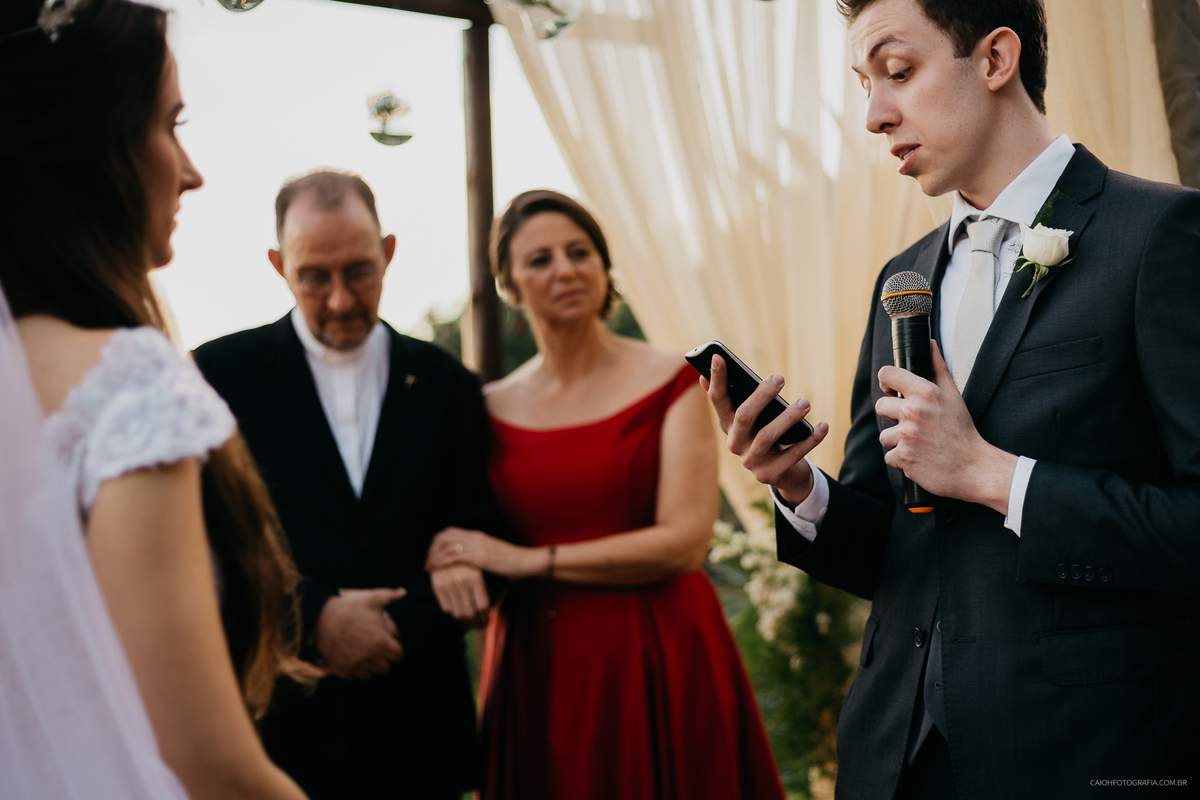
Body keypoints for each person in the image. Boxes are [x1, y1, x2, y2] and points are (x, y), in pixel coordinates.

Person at [704, 0, 1200, 797]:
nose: (874, 115)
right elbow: (897, 544)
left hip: (1082, 753)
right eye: (865, 84)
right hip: (894, 754)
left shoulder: (1160, 236)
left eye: (897, 73)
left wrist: (992, 475)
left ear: (997, 59)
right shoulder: (904, 278)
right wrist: (800, 490)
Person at [0, 1, 315, 799]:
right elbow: (208, 766)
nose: (191, 168)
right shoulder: (127, 383)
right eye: (170, 124)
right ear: (89, 142)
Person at [424, 190, 786, 800]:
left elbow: (683, 542)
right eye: (539, 259)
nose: (565, 268)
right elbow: (452, 527)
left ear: (603, 266)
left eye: (580, 251)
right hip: (537, 661)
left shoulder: (672, 380)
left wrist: (524, 561)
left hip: (658, 647)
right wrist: (446, 556)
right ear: (508, 282)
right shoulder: (484, 410)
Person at [192, 169, 504, 799]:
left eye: (360, 271)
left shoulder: (449, 385)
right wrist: (312, 619)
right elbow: (199, 542)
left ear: (388, 252)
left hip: (417, 729)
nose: (339, 299)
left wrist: (391, 627)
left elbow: (484, 531)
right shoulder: (215, 377)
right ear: (280, 265)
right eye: (314, 276)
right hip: (276, 732)